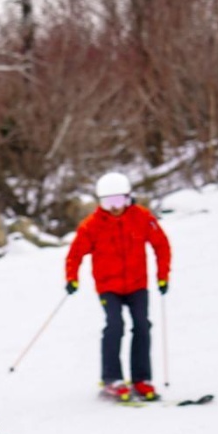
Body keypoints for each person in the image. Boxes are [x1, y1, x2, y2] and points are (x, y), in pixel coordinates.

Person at [65, 171, 171, 402]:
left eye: (119, 201)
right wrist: (72, 278)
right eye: (107, 202)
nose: (114, 207)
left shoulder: (142, 218)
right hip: (108, 287)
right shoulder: (92, 225)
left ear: (128, 198)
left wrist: (163, 276)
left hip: (137, 284)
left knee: (142, 326)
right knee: (115, 325)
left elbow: (161, 245)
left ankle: (141, 379)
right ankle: (112, 378)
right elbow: (75, 253)